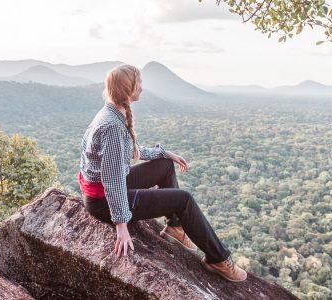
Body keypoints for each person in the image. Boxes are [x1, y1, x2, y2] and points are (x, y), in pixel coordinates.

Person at [77, 64, 247, 282]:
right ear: (127, 88)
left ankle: (175, 228)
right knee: (183, 200)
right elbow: (112, 180)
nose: (142, 88)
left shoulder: (112, 112)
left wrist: (164, 153)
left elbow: (128, 152)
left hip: (107, 188)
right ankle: (219, 260)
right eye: (139, 84)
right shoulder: (112, 125)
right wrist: (121, 225)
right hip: (103, 202)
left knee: (165, 164)